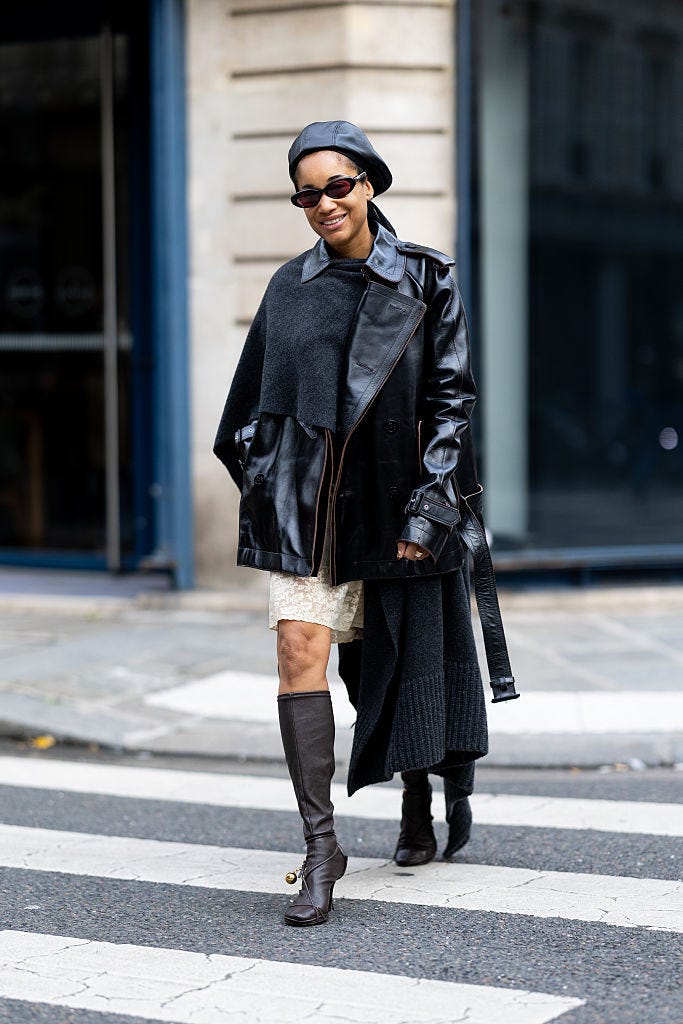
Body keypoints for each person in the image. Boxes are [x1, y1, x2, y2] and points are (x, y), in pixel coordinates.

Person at [214, 120, 517, 928]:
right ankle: (322, 847)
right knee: (298, 651)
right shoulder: (288, 286)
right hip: (308, 516)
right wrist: (269, 483)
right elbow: (246, 409)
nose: (324, 204)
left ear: (368, 184)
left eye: (337, 186)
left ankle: (418, 791)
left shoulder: (426, 276)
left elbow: (451, 402)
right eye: (306, 194)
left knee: (394, 665)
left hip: (394, 501)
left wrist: (430, 505)